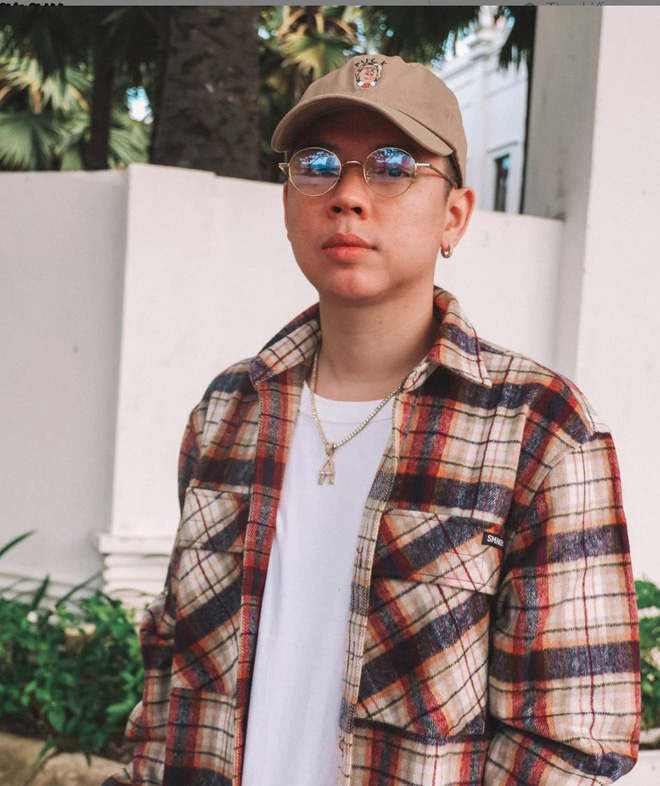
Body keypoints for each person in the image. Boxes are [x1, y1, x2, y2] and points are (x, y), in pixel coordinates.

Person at [105, 55, 640, 786]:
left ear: (454, 214)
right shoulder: (229, 410)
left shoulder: (540, 429)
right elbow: (171, 672)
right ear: (288, 202)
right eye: (317, 165)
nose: (348, 195)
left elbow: (570, 742)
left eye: (392, 166)